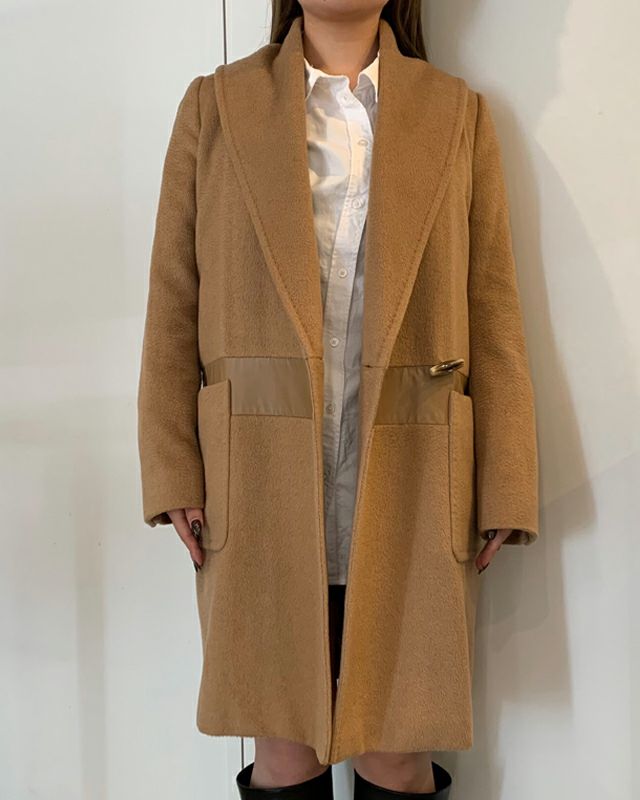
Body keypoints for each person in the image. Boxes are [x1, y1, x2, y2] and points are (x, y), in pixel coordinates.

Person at [137, 1, 540, 798]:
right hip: (256, 481)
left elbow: (493, 310)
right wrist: (171, 470)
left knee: (396, 752)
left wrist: (506, 482)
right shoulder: (216, 106)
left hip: (416, 482)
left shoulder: (457, 114)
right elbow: (172, 301)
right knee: (287, 750)